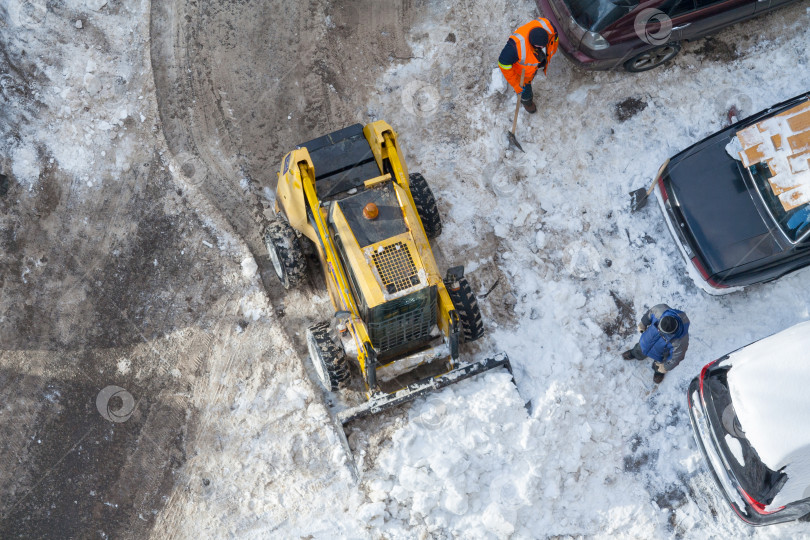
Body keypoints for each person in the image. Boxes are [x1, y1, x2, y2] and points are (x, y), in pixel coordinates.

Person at [498, 18, 558, 114]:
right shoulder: (514, 48)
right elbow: (503, 63)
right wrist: (515, 84)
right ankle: (527, 102)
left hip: (532, 65)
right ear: (532, 43)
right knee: (525, 89)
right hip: (522, 73)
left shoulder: (549, 27)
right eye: (540, 46)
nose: (543, 47)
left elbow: (554, 39)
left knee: (537, 61)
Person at [622, 304, 690, 384]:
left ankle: (658, 372)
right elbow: (650, 313)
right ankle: (635, 353)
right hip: (646, 341)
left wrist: (665, 367)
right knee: (640, 348)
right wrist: (643, 323)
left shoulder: (680, 341)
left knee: (659, 365)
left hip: (662, 354)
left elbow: (676, 358)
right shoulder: (660, 311)